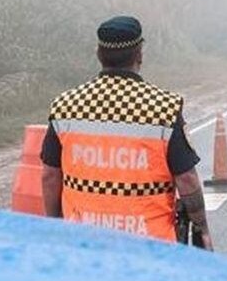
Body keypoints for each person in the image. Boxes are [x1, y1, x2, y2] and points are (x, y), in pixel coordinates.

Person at [39, 15, 213, 250]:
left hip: (83, 245)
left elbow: (50, 176)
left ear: (99, 54)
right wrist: (202, 229)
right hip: (149, 248)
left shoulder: (65, 106)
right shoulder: (163, 108)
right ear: (139, 55)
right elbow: (187, 179)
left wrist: (56, 226)